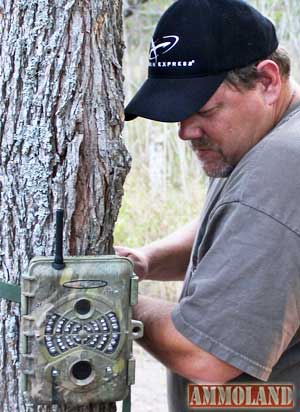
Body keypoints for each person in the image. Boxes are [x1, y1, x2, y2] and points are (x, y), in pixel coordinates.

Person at [116, 0, 300, 411]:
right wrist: (147, 259)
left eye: (204, 110)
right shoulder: (266, 141)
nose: (185, 131)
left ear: (268, 81)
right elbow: (236, 230)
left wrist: (112, 297)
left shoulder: (284, 163)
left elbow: (205, 354)